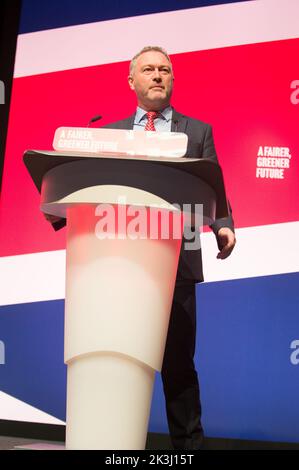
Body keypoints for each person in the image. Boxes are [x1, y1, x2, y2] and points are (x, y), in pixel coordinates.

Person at [45, 46, 236, 449]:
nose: (157, 76)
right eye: (148, 69)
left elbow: (212, 185)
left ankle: (188, 449)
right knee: (114, 355)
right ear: (131, 81)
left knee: (178, 365)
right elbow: (91, 184)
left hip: (175, 260)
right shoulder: (107, 133)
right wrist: (61, 209)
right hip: (115, 258)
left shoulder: (196, 132)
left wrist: (223, 226)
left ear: (172, 79)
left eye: (164, 70)